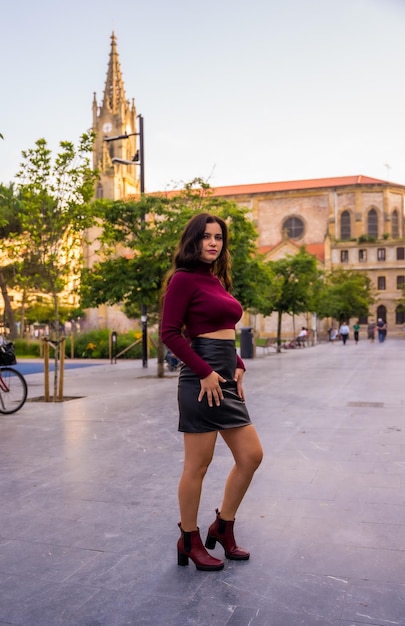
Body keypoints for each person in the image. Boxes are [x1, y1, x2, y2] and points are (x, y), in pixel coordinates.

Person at [161, 213, 263, 572]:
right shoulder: (183, 280)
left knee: (251, 456)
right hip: (200, 381)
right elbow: (170, 333)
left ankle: (222, 526)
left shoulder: (215, 280)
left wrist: (238, 363)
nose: (213, 242)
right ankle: (189, 538)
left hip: (224, 377)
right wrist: (204, 372)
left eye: (218, 237)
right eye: (206, 236)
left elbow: (221, 329)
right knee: (198, 465)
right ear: (193, 240)